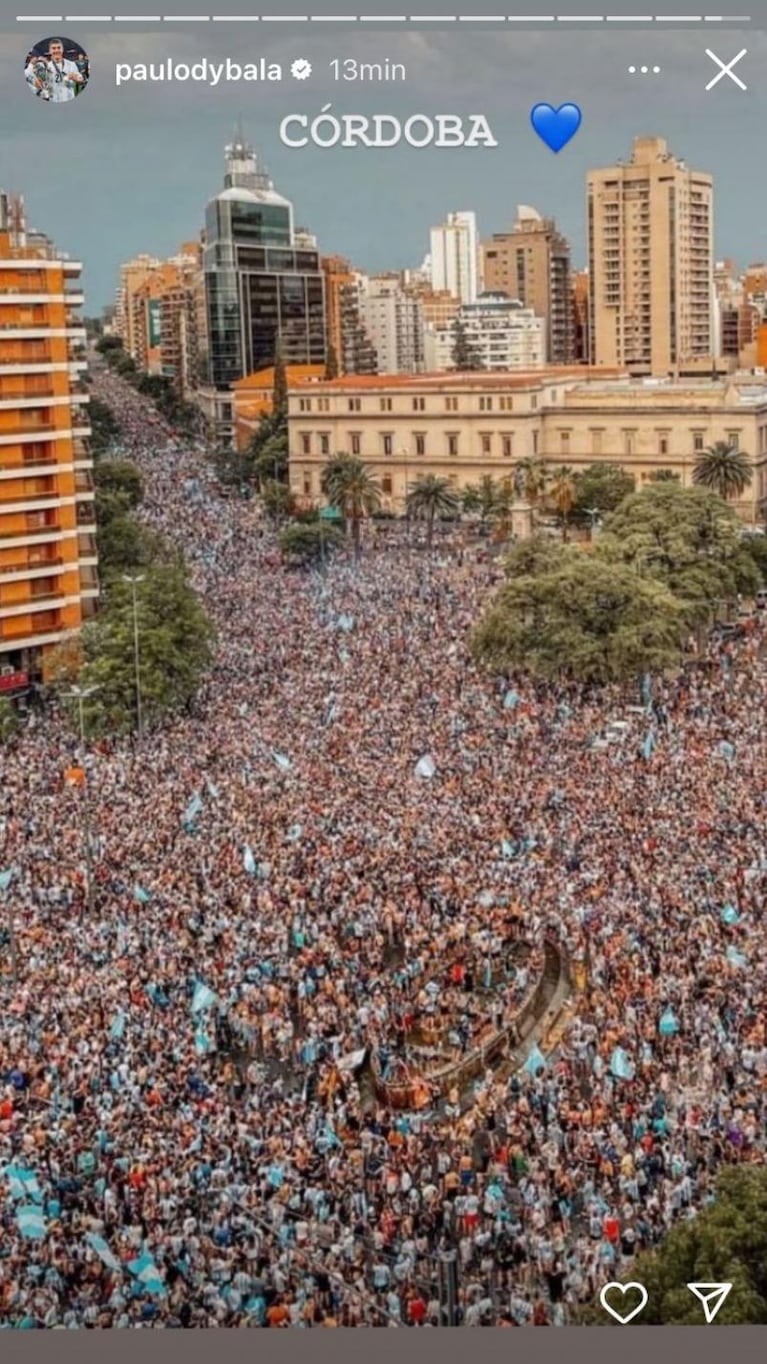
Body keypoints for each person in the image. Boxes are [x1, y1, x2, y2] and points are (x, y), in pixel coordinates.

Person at [25, 39, 85, 104]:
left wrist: (76, 78)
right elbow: (30, 77)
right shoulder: (45, 67)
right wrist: (36, 83)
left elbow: (81, 79)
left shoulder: (71, 64)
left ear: (62, 49)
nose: (56, 50)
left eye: (58, 48)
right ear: (50, 51)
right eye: (53, 48)